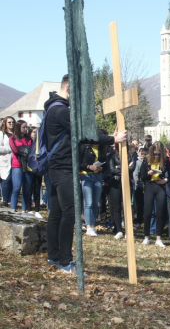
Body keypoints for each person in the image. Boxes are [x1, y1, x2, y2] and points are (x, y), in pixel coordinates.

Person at [45, 75, 127, 274]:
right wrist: (112, 139)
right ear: (68, 87)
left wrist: (109, 138)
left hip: (57, 166)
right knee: (69, 212)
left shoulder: (52, 108)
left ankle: (54, 256)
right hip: (63, 167)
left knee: (56, 213)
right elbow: (84, 134)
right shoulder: (60, 110)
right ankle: (65, 261)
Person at [140, 141, 170, 247]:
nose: (157, 156)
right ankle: (146, 237)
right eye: (155, 154)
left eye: (159, 154)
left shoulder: (165, 160)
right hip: (150, 185)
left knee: (160, 212)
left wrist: (165, 180)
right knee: (148, 212)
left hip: (160, 186)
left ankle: (158, 238)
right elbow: (141, 176)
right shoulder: (146, 160)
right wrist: (148, 174)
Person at [79, 129, 107, 236]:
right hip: (87, 175)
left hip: (98, 176)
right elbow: (78, 162)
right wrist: (88, 166)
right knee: (89, 202)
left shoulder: (101, 149)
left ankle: (93, 224)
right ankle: (88, 226)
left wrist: (101, 168)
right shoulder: (84, 147)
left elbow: (105, 163)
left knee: (96, 203)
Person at [9, 120, 33, 213]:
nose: (26, 129)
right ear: (19, 128)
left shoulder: (29, 140)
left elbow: (31, 151)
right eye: (23, 127)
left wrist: (25, 151)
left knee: (27, 189)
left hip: (28, 165)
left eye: (26, 127)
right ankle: (13, 208)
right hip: (17, 165)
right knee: (17, 187)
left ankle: (24, 209)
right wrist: (25, 151)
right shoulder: (12, 138)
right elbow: (15, 150)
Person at [0, 116, 15, 207]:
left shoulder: (15, 134)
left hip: (15, 160)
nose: (11, 124)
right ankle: (5, 200)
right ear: (5, 123)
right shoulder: (2, 134)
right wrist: (11, 149)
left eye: (13, 122)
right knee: (6, 179)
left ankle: (10, 199)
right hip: (4, 160)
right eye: (9, 122)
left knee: (14, 181)